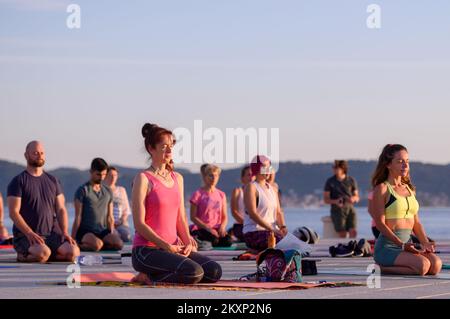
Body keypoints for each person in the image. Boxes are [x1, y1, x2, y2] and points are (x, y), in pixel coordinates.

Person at [131, 123, 222, 285]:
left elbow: (180, 217)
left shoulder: (177, 178)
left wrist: (187, 242)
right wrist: (166, 246)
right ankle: (147, 277)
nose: (169, 150)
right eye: (164, 146)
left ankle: (158, 273)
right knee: (193, 273)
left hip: (174, 248)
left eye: (171, 145)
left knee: (214, 271)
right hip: (146, 250)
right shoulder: (143, 179)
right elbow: (139, 224)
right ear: (151, 149)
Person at [372, 144, 441, 275]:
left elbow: (416, 222)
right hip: (388, 247)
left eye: (407, 161)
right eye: (400, 162)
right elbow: (380, 224)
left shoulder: (410, 189)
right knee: (422, 266)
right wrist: (401, 245)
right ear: (388, 165)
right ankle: (379, 267)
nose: (405, 165)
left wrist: (425, 243)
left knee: (436, 265)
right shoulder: (382, 189)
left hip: (407, 246)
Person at [7, 141, 79, 262]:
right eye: (35, 153)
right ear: (26, 155)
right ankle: (23, 255)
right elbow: (13, 212)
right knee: (42, 254)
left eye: (41, 153)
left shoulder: (53, 181)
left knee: (73, 252)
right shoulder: (18, 181)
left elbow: (61, 209)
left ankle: (47, 254)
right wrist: (29, 233)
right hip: (27, 235)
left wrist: (65, 232)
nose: (39, 156)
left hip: (52, 233)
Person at [72, 158, 124, 252]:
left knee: (118, 244)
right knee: (97, 245)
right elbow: (78, 217)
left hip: (102, 231)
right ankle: (80, 245)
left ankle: (99, 244)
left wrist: (111, 233)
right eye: (98, 174)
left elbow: (110, 217)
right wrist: (72, 238)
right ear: (91, 172)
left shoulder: (108, 191)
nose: (101, 177)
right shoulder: (83, 190)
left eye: (104, 174)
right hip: (86, 231)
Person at [243, 155, 288, 252]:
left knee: (294, 243)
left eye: (269, 167)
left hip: (272, 232)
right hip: (254, 232)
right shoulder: (251, 187)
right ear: (256, 169)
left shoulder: (273, 189)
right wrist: (272, 229)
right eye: (264, 167)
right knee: (281, 243)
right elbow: (252, 214)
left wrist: (283, 227)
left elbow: (279, 213)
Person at [190, 164, 232, 247]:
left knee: (228, 241)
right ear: (205, 177)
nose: (214, 178)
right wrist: (208, 228)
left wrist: (222, 227)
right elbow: (193, 217)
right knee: (214, 240)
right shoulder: (197, 194)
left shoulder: (221, 194)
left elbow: (224, 216)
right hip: (202, 228)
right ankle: (196, 238)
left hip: (217, 228)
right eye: (211, 176)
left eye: (216, 176)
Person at [323, 160, 360, 238]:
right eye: (333, 167)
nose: (334, 169)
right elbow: (326, 199)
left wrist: (353, 199)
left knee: (353, 231)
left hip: (350, 207)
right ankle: (343, 249)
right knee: (342, 231)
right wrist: (336, 201)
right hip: (337, 209)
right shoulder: (330, 181)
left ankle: (353, 248)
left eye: (336, 168)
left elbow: (357, 197)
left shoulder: (351, 180)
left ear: (343, 169)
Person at [104, 167, 132, 242]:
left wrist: (121, 221)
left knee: (126, 236)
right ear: (105, 176)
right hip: (106, 224)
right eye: (110, 175)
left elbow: (126, 210)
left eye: (115, 175)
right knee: (114, 236)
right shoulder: (102, 190)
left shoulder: (122, 190)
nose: (113, 178)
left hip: (121, 223)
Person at [229, 166, 254, 242]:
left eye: (253, 175)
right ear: (242, 178)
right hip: (240, 226)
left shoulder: (258, 192)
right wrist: (247, 224)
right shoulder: (237, 191)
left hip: (254, 226)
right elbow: (234, 212)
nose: (251, 177)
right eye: (248, 175)